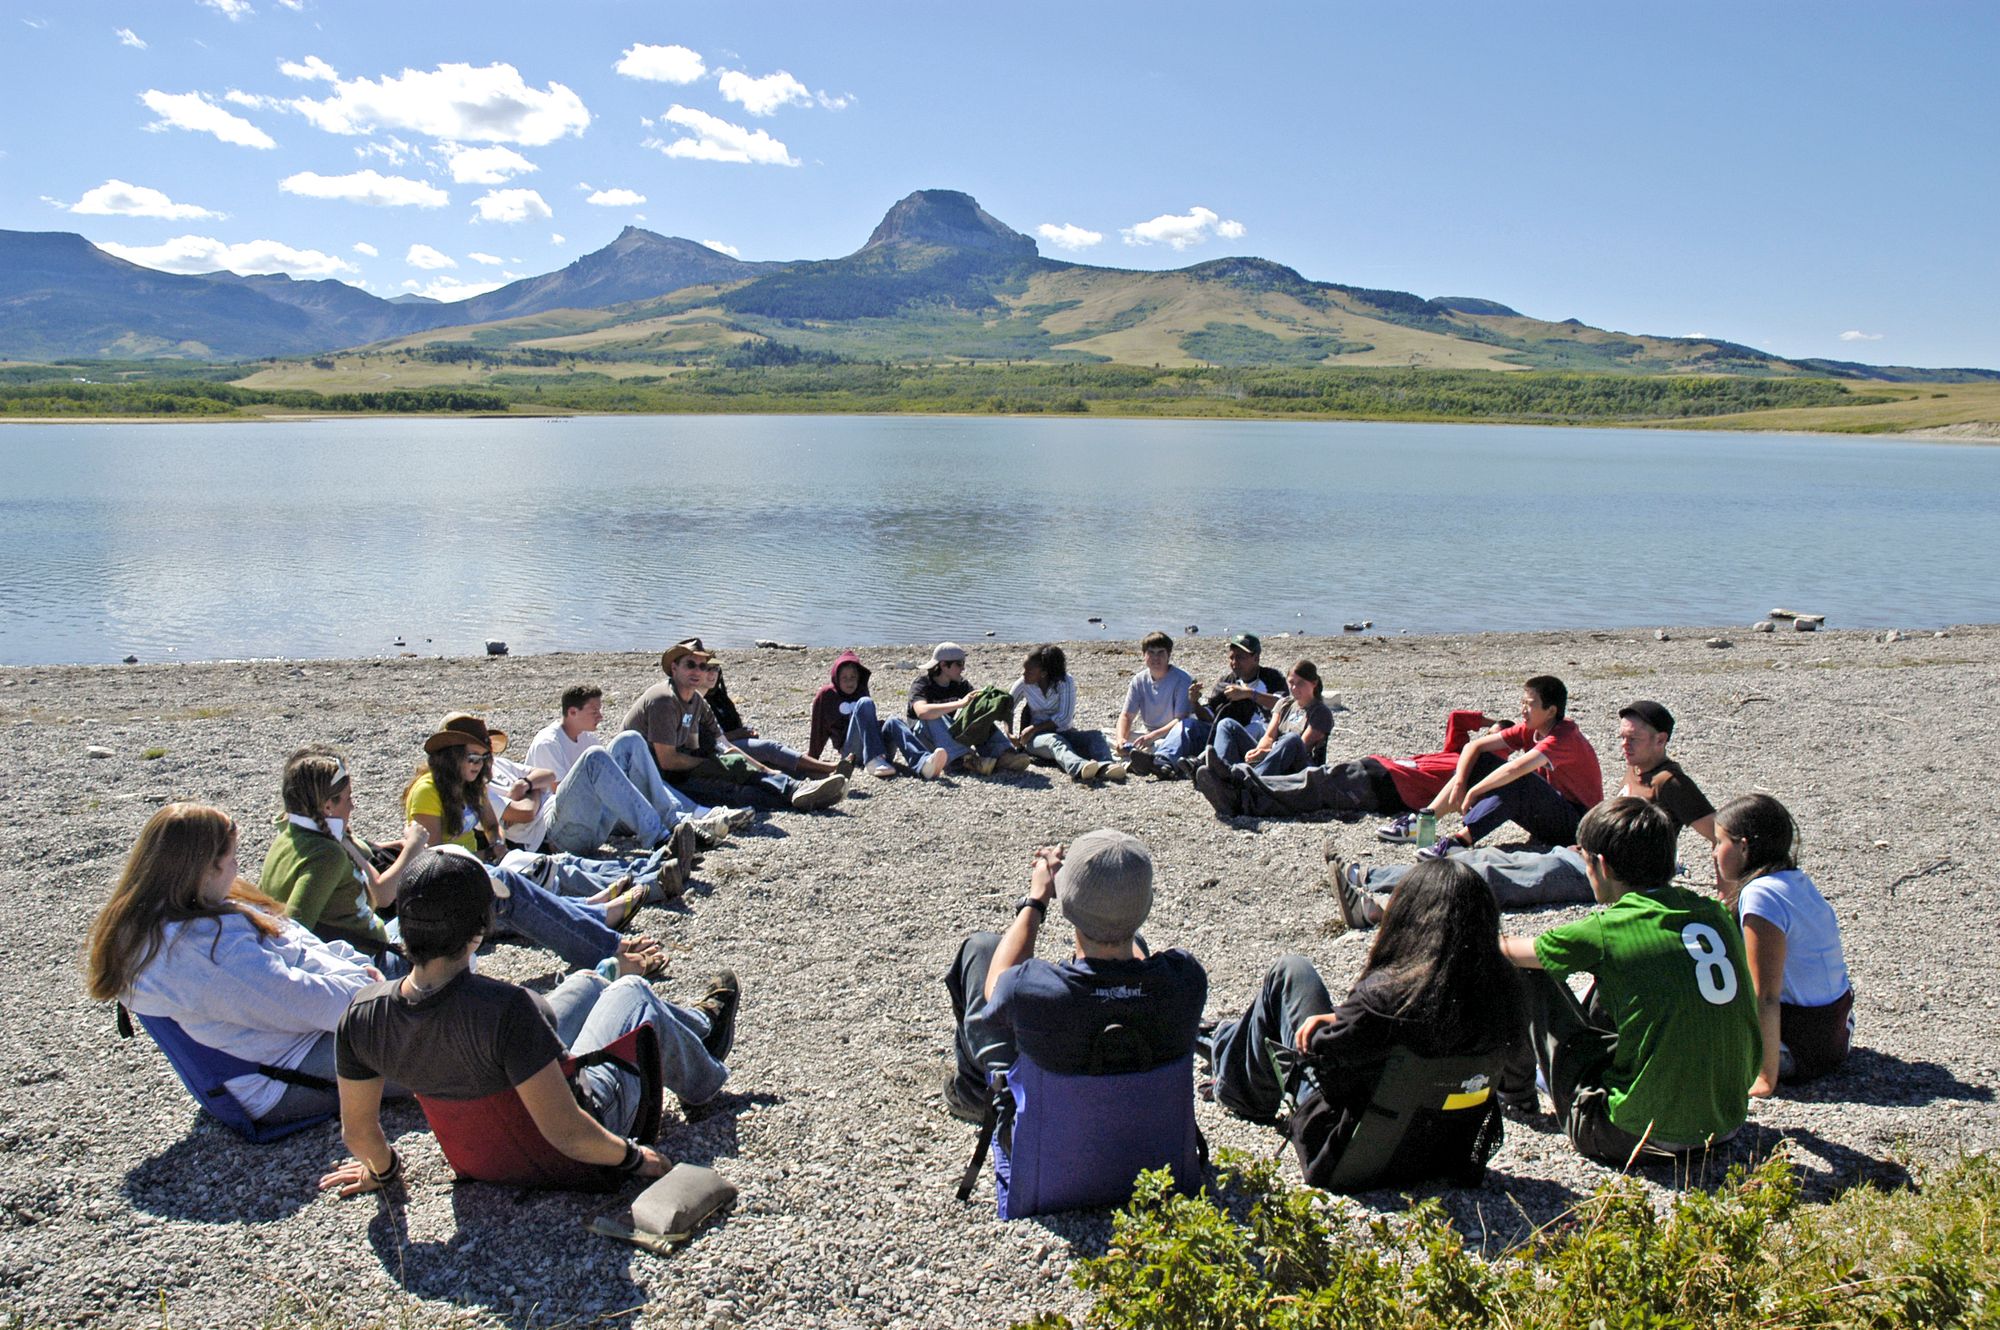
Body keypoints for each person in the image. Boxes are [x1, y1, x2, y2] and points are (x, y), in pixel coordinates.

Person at [318, 847, 739, 1196]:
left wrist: (383, 1171)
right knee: (630, 992)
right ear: (480, 931)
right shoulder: (507, 1010)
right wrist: (632, 1157)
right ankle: (703, 1082)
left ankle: (698, 1025)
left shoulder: (362, 1015)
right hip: (579, 1144)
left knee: (589, 982)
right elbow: (566, 1132)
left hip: (480, 1159)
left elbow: (357, 1132)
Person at [86, 803, 410, 1129]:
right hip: (284, 1071)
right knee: (444, 1049)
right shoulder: (198, 954)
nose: (237, 868)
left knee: (445, 951)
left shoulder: (189, 904)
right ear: (204, 869)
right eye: (232, 860)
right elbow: (315, 1003)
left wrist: (353, 970)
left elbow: (294, 938)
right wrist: (363, 983)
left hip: (328, 1001)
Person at [1497, 797, 1760, 1164]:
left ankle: (1514, 1093)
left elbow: (1509, 949)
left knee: (1521, 968)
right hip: (1725, 1125)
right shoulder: (1714, 913)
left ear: (1601, 865)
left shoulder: (1610, 929)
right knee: (1625, 977)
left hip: (1633, 1136)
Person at [1200, 860, 1522, 1157]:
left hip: (1353, 1149)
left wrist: (1337, 1023)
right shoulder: (1502, 992)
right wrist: (1345, 1018)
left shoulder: (1386, 997)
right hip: (1445, 1151)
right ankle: (1223, 1038)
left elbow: (1320, 1057)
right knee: (1275, 1020)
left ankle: (1229, 1065)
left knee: (1291, 973)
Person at [1331, 700, 1716, 927]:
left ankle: (1377, 909)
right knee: (1485, 857)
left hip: (1613, 876)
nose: (1624, 744)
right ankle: (1372, 876)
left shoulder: (1670, 782)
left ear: (1661, 740)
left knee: (1494, 876)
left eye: (1632, 739)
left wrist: (1728, 899)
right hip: (1585, 852)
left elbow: (1719, 837)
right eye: (1621, 737)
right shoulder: (1637, 768)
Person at [943, 830, 1206, 1121]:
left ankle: (973, 1093)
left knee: (981, 950)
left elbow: (994, 985)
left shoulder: (1033, 991)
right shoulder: (1187, 977)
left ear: (1066, 903)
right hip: (1151, 1149)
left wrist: (1036, 901)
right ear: (1147, 904)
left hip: (1051, 1147)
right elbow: (1124, 950)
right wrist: (1116, 906)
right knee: (1136, 945)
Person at [404, 714, 666, 968]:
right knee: (539, 878)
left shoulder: (471, 785)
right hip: (455, 883)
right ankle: (618, 907)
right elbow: (434, 860)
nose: (479, 764)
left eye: (484, 757)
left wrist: (497, 845)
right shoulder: (428, 791)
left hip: (481, 866)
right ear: (451, 757)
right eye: (472, 757)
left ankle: (633, 882)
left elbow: (493, 823)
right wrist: (532, 793)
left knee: (557, 867)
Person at [500, 683, 744, 858]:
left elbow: (606, 777)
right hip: (560, 831)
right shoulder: (548, 742)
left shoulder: (586, 738)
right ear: (572, 712)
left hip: (590, 823)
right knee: (596, 759)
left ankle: (675, 821)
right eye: (594, 711)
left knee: (630, 740)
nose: (601, 716)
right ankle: (661, 836)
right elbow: (560, 792)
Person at [1712, 794, 1853, 1095]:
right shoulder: (1794, 880)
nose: (1713, 853)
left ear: (1743, 846)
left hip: (1798, 1049)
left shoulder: (1761, 895)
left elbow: (1765, 996)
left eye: (1719, 842)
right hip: (1836, 1036)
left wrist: (1764, 1077)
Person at [622, 642, 849, 812]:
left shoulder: (696, 702)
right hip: (651, 778)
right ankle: (799, 799)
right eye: (690, 665)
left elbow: (723, 745)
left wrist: (760, 768)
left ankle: (795, 788)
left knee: (740, 769)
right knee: (732, 792)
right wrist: (714, 766)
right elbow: (667, 761)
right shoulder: (664, 700)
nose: (697, 671)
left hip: (676, 770)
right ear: (674, 668)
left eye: (702, 666)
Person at [260, 746, 429, 972]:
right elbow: (294, 930)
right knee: (448, 944)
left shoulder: (289, 836)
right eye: (348, 798)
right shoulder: (326, 855)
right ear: (328, 806)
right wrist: (414, 846)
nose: (353, 805)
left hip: (365, 945)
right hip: (366, 964)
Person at [1189, 706, 1502, 820]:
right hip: (1377, 771)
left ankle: (1238, 787)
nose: (1484, 736)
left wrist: (1507, 736)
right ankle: (1237, 787)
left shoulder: (1484, 768)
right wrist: (1493, 721)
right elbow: (1456, 719)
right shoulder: (1461, 753)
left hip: (1385, 787)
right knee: (1315, 781)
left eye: (1492, 736)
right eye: (1486, 733)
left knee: (1315, 785)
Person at [1414, 675, 1603, 859]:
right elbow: (1474, 747)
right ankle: (1422, 822)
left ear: (1551, 711)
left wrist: (1474, 792)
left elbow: (1515, 769)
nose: (1523, 710)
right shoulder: (1532, 729)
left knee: (1519, 781)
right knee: (1483, 760)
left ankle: (1460, 842)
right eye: (1523, 703)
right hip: (1550, 813)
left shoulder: (1564, 737)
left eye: (1529, 704)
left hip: (1579, 825)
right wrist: (1460, 784)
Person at [685, 642, 846, 780]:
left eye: (716, 668)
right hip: (711, 754)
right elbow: (705, 741)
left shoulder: (715, 698)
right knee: (770, 748)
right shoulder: (692, 701)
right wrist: (739, 734)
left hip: (723, 746)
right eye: (708, 668)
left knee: (768, 759)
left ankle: (815, 774)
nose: (713, 673)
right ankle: (827, 768)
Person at [1143, 632, 1285, 779]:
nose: (1234, 662)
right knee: (1189, 724)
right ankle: (1162, 761)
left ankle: (1202, 763)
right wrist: (1195, 703)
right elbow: (1210, 715)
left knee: (1238, 725)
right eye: (1232, 657)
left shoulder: (1271, 677)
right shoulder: (1227, 681)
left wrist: (1249, 694)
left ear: (1256, 658)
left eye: (1240, 657)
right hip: (1223, 735)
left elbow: (1283, 705)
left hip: (1258, 739)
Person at [905, 643, 1033, 778]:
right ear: (943, 665)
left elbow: (978, 706)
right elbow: (922, 712)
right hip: (923, 738)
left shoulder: (959, 684)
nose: (963, 668)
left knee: (978, 716)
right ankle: (966, 759)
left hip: (946, 737)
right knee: (933, 716)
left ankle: (1003, 754)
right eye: (959, 664)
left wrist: (992, 701)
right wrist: (960, 703)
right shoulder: (922, 684)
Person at [1010, 644, 1127, 784]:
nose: (1023, 674)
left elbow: (1064, 718)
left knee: (1096, 736)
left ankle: (1107, 766)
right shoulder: (1023, 684)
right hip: (1035, 739)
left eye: (1028, 671)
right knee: (1056, 742)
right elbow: (1006, 707)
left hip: (1065, 731)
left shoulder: (1065, 682)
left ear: (1043, 673)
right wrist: (1010, 733)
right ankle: (1079, 767)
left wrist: (1034, 727)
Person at [807, 650, 929, 779]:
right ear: (836, 677)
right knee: (865, 703)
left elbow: (869, 726)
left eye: (853, 677)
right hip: (851, 752)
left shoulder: (861, 690)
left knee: (893, 721)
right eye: (845, 678)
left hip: (877, 749)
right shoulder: (827, 695)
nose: (849, 682)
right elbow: (818, 726)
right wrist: (812, 758)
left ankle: (922, 762)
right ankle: (872, 760)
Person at [1208, 659, 1334, 778]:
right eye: (1291, 683)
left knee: (1292, 739)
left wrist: (1266, 753)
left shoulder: (1320, 712)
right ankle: (1223, 775)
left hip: (1302, 768)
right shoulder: (1284, 704)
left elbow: (1302, 747)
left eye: (1300, 683)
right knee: (1226, 724)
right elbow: (1269, 736)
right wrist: (1258, 751)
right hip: (1274, 759)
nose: (1294, 688)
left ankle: (1250, 781)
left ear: (1314, 683)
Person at [1114, 631, 1196, 776]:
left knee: (1162, 744)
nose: (1156, 658)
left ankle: (1149, 761)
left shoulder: (1182, 679)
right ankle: (1138, 758)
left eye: (1160, 653)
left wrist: (1152, 737)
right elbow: (1126, 715)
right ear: (1144, 655)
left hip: (1174, 734)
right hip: (1148, 733)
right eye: (1151, 653)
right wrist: (1121, 739)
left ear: (1168, 655)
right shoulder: (1139, 680)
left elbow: (1180, 719)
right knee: (1105, 735)